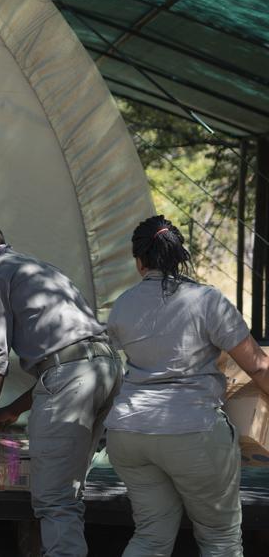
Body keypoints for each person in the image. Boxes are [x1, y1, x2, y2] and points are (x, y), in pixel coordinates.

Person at [0, 221, 121, 557]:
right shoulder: (39, 268)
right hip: (108, 370)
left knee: (55, 500)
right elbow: (64, 359)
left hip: (73, 379)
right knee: (69, 492)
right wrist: (16, 407)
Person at [106, 215, 269, 556]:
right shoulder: (207, 301)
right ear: (180, 255)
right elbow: (257, 366)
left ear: (139, 261)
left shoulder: (122, 304)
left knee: (150, 536)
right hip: (192, 430)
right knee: (220, 539)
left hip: (128, 432)